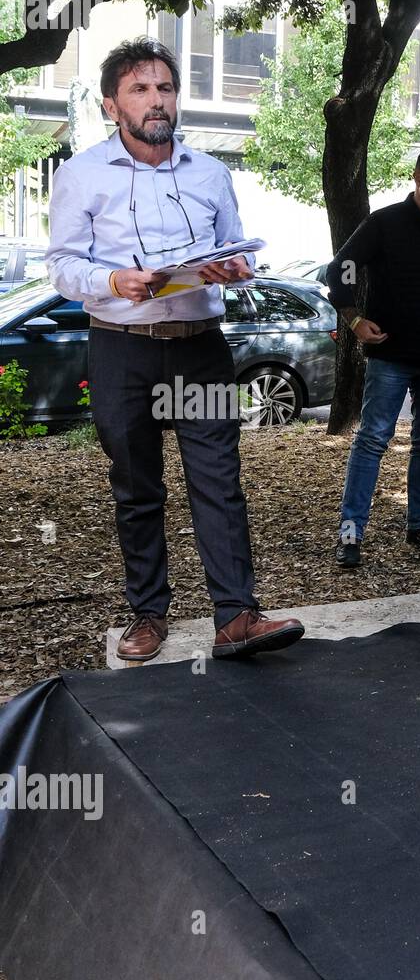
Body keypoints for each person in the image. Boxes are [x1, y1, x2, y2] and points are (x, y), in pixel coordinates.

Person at [47, 38, 304, 663]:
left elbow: (231, 248)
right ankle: (148, 615)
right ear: (113, 105)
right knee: (136, 487)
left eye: (164, 88)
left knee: (219, 482)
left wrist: (233, 267)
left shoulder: (211, 173)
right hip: (121, 347)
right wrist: (111, 281)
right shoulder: (80, 174)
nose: (156, 101)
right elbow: (60, 264)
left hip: (199, 349)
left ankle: (237, 616)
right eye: (140, 90)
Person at [326, 148, 420, 567]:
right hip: (391, 353)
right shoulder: (385, 222)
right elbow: (339, 268)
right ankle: (351, 531)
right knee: (372, 439)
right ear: (419, 176)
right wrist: (354, 320)